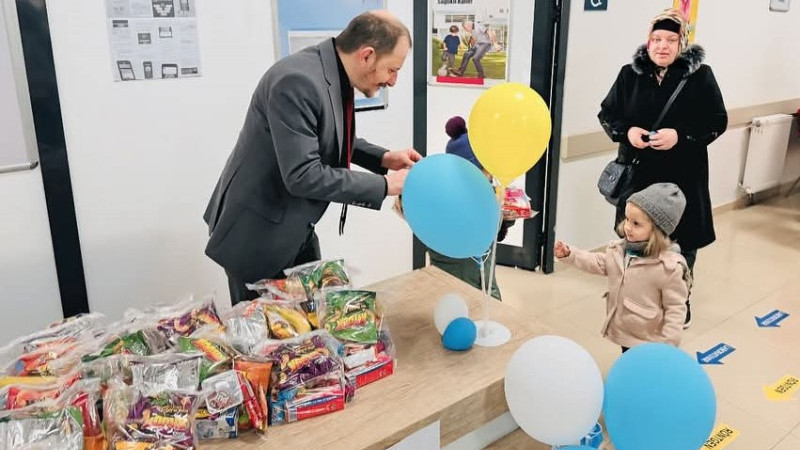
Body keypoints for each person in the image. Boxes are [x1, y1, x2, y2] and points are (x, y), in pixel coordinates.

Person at [203, 11, 421, 305]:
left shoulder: (329, 71)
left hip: (294, 226)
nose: (393, 81)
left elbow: (327, 136)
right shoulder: (297, 81)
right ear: (367, 56)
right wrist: (385, 185)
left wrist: (383, 158)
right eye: (392, 70)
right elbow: (303, 175)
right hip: (257, 234)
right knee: (266, 343)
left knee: (312, 321)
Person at [597, 9, 727, 327]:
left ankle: (678, 300)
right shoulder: (631, 74)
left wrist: (680, 137)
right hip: (639, 176)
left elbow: (717, 121)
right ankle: (634, 296)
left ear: (682, 43)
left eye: (670, 39)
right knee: (635, 239)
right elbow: (607, 113)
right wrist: (626, 132)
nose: (662, 46)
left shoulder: (700, 76)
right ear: (648, 41)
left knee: (681, 244)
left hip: (683, 177)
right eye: (657, 39)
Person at [555, 183, 691, 353]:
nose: (627, 227)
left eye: (636, 223)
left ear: (657, 230)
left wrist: (668, 347)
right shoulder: (621, 251)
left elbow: (676, 310)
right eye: (627, 219)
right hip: (625, 331)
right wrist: (571, 254)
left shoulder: (669, 269)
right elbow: (598, 262)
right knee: (628, 363)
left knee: (645, 374)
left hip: (650, 339)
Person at [426, 116, 513, 299]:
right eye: (486, 169)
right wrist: (498, 213)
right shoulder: (451, 200)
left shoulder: (477, 191)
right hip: (461, 282)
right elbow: (479, 233)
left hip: (483, 278)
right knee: (467, 312)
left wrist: (506, 216)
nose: (490, 175)